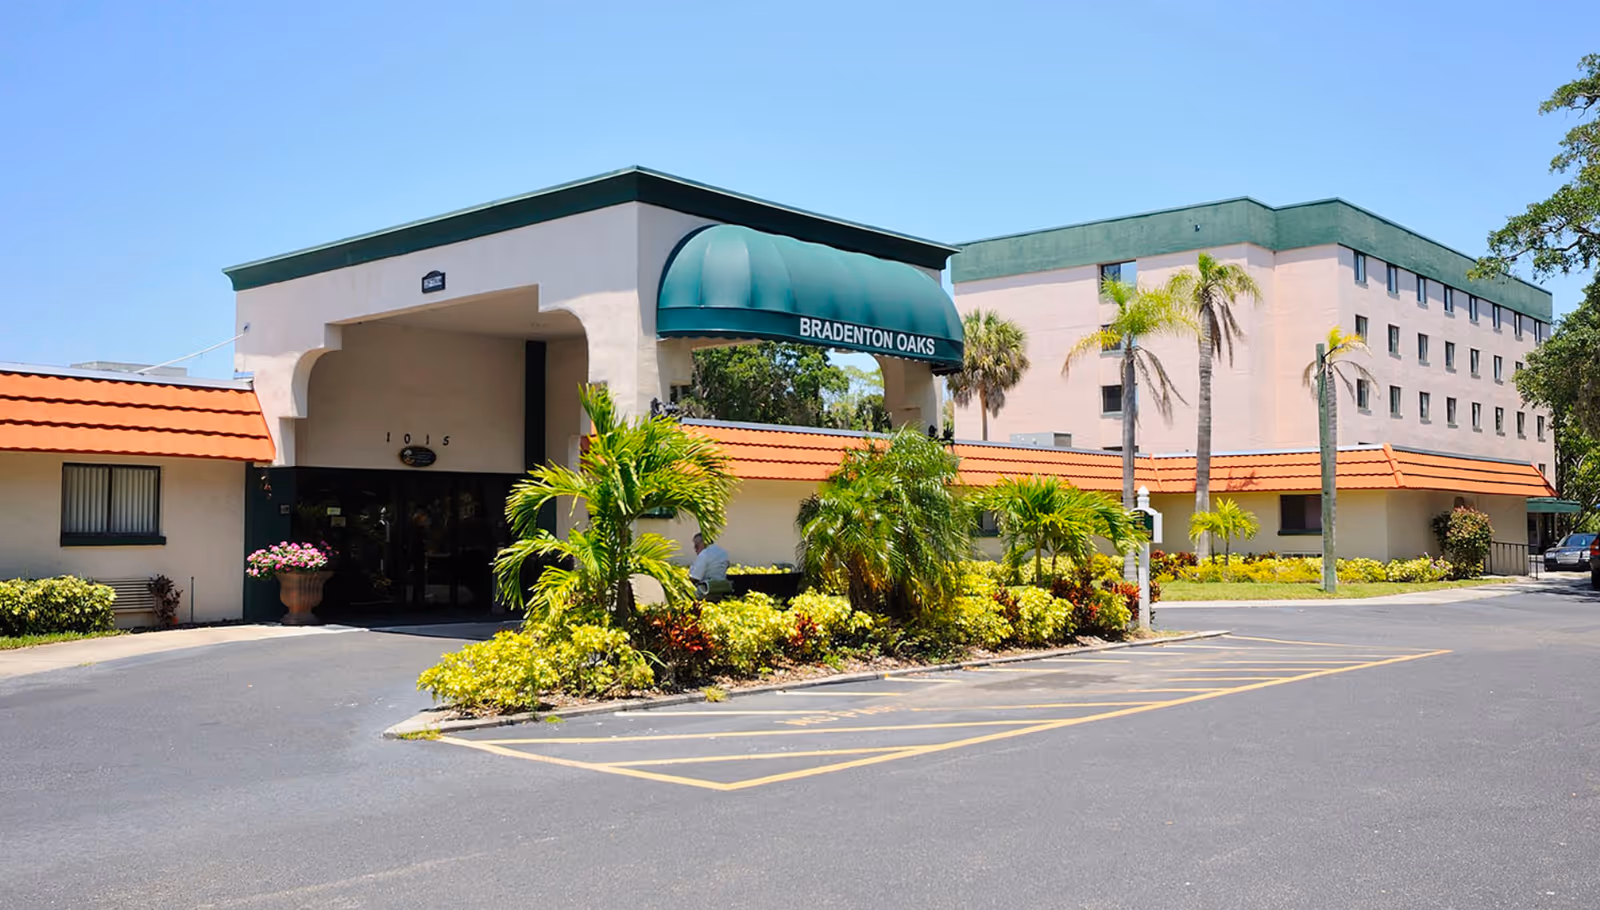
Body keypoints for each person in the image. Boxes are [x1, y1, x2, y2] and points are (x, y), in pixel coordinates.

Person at [688, 532, 732, 600]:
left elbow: (695, 578)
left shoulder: (704, 554)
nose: (695, 549)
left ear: (703, 543)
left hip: (705, 591)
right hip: (720, 590)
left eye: (696, 546)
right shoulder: (723, 552)